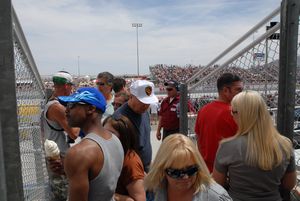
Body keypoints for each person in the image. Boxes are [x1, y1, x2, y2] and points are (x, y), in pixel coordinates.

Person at [212, 91, 296, 201]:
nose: (232, 116)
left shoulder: (227, 146)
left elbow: (217, 184)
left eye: (233, 112)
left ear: (241, 114)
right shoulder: (285, 144)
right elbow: (289, 184)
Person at [58, 87, 124, 201]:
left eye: (71, 105)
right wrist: (67, 169)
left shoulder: (80, 153)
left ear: (90, 109)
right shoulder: (114, 139)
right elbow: (100, 182)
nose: (66, 110)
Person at [144, 134, 232, 201]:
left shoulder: (215, 197)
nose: (185, 177)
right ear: (162, 170)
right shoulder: (153, 192)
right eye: (176, 173)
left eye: (191, 170)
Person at [41, 71, 79, 201]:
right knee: (62, 194)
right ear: (66, 86)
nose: (72, 89)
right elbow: (74, 133)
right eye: (71, 86)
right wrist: (80, 113)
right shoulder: (57, 107)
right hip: (60, 157)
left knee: (58, 191)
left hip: (54, 153)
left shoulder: (51, 102)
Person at [194, 73, 243, 172]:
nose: (242, 94)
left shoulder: (203, 110)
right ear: (225, 90)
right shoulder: (234, 113)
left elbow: (198, 139)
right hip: (227, 170)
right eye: (238, 90)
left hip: (206, 168)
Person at [113, 80, 158, 172]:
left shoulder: (143, 111)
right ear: (131, 96)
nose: (146, 105)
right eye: (142, 102)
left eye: (148, 102)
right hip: (132, 174)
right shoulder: (119, 118)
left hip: (146, 168)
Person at [103, 115, 146, 201]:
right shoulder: (109, 154)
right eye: (103, 131)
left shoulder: (130, 162)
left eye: (110, 133)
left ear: (123, 136)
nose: (104, 136)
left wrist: (110, 195)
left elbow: (140, 199)